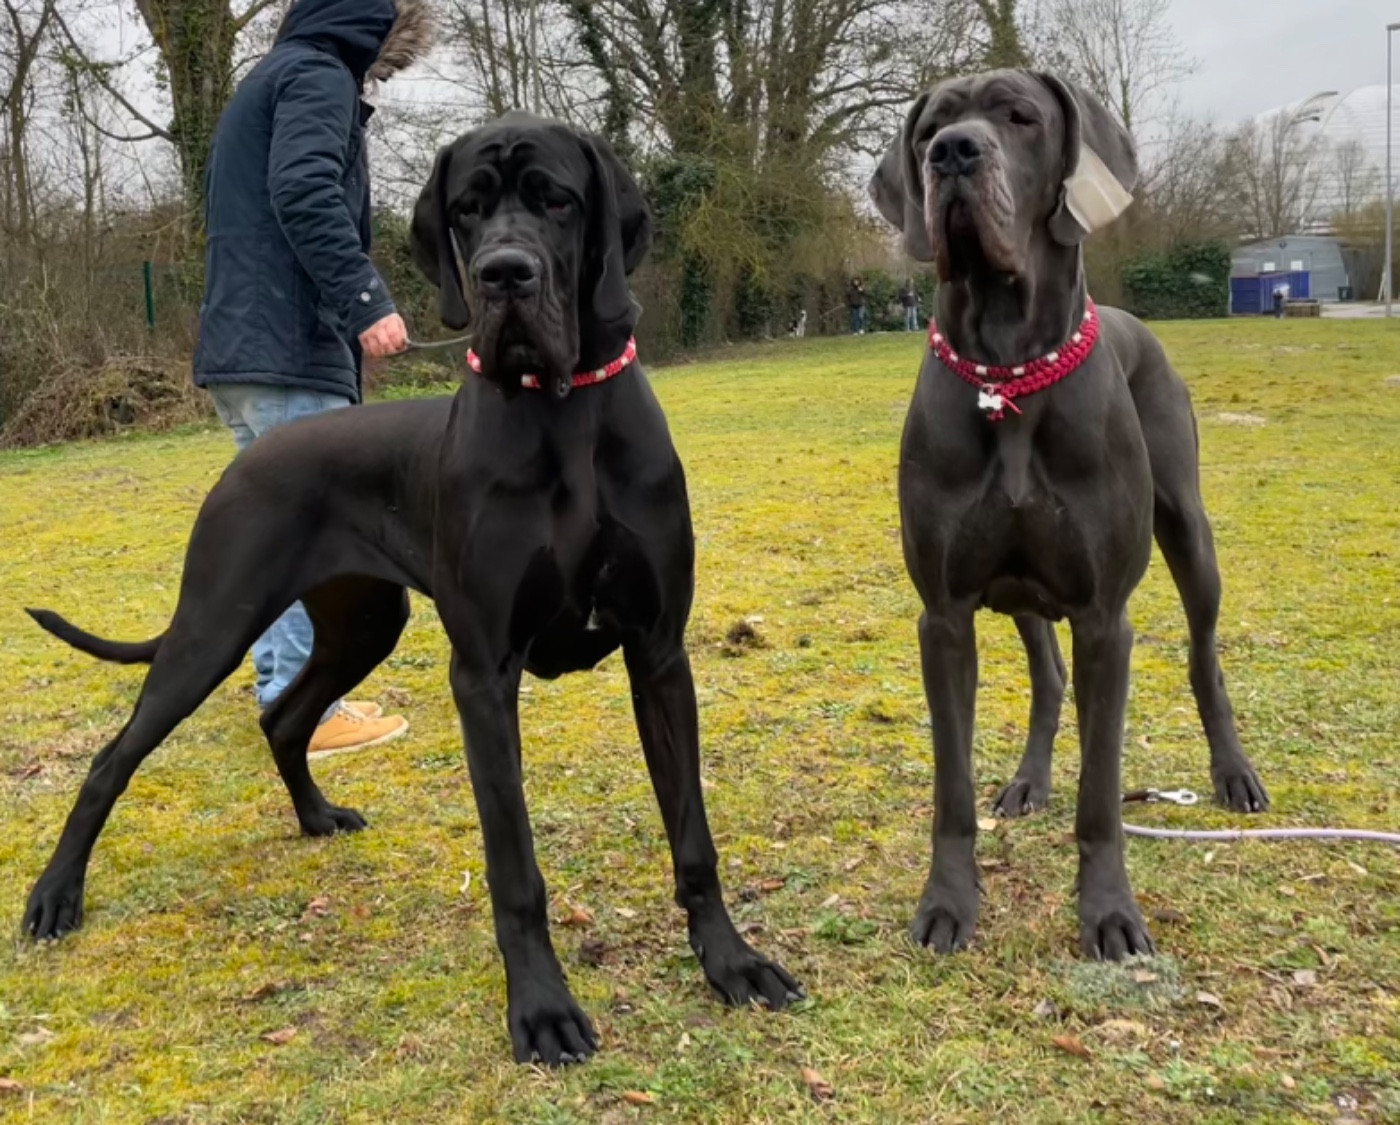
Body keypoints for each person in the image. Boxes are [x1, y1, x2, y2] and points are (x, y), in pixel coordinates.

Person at [192, 0, 431, 754]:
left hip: (242, 349)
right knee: (310, 536)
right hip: (289, 350)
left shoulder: (271, 77)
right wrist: (366, 301)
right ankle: (309, 705)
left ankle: (282, 688)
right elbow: (303, 191)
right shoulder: (320, 79)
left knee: (275, 537)